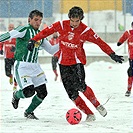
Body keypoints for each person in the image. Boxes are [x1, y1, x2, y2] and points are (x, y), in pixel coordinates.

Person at [28, 6, 124, 122]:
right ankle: (89, 114)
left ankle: (97, 105)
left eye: (77, 21)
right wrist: (33, 40)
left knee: (81, 86)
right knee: (71, 93)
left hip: (77, 63)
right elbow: (45, 32)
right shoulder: (62, 25)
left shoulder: (86, 31)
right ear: (69, 18)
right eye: (72, 21)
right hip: (63, 63)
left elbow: (100, 42)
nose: (74, 24)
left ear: (81, 19)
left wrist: (111, 54)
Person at [0, 10, 59, 120]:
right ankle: (16, 95)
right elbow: (9, 35)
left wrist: (63, 43)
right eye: (36, 20)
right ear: (29, 19)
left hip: (35, 67)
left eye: (40, 20)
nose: (38, 23)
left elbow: (51, 50)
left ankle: (29, 112)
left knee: (43, 93)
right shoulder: (24, 29)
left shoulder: (40, 34)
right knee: (29, 92)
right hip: (22, 66)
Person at [117, 22, 133, 97]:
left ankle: (128, 90)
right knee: (130, 72)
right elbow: (124, 36)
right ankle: (128, 90)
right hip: (131, 59)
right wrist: (120, 42)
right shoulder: (129, 33)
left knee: (130, 72)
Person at [0, 23, 17, 91]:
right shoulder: (5, 36)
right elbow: (0, 43)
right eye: (10, 27)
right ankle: (10, 76)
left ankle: (15, 85)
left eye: (12, 27)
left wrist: (15, 48)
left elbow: (20, 45)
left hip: (15, 57)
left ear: (14, 28)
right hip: (7, 57)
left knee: (16, 72)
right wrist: (0, 49)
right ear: (8, 28)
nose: (11, 28)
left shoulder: (16, 36)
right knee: (7, 72)